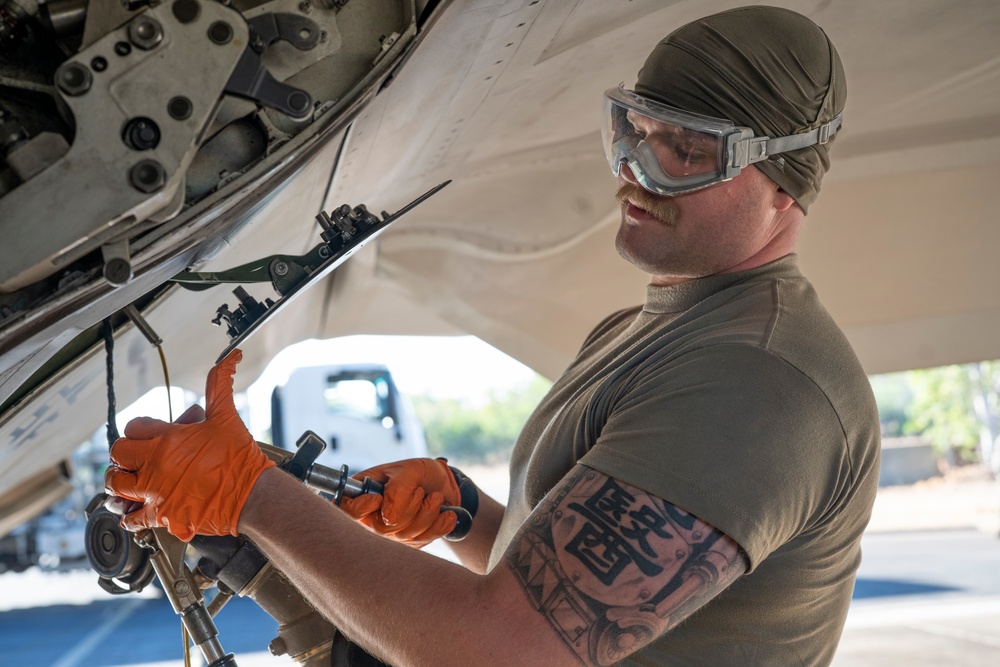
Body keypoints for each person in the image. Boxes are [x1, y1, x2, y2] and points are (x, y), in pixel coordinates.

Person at [105, 6, 880, 666]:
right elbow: (582, 599)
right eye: (632, 132)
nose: (636, 171)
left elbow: (501, 652)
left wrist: (254, 497)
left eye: (686, 151)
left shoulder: (756, 379)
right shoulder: (650, 331)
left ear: (786, 181)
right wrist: (468, 517)